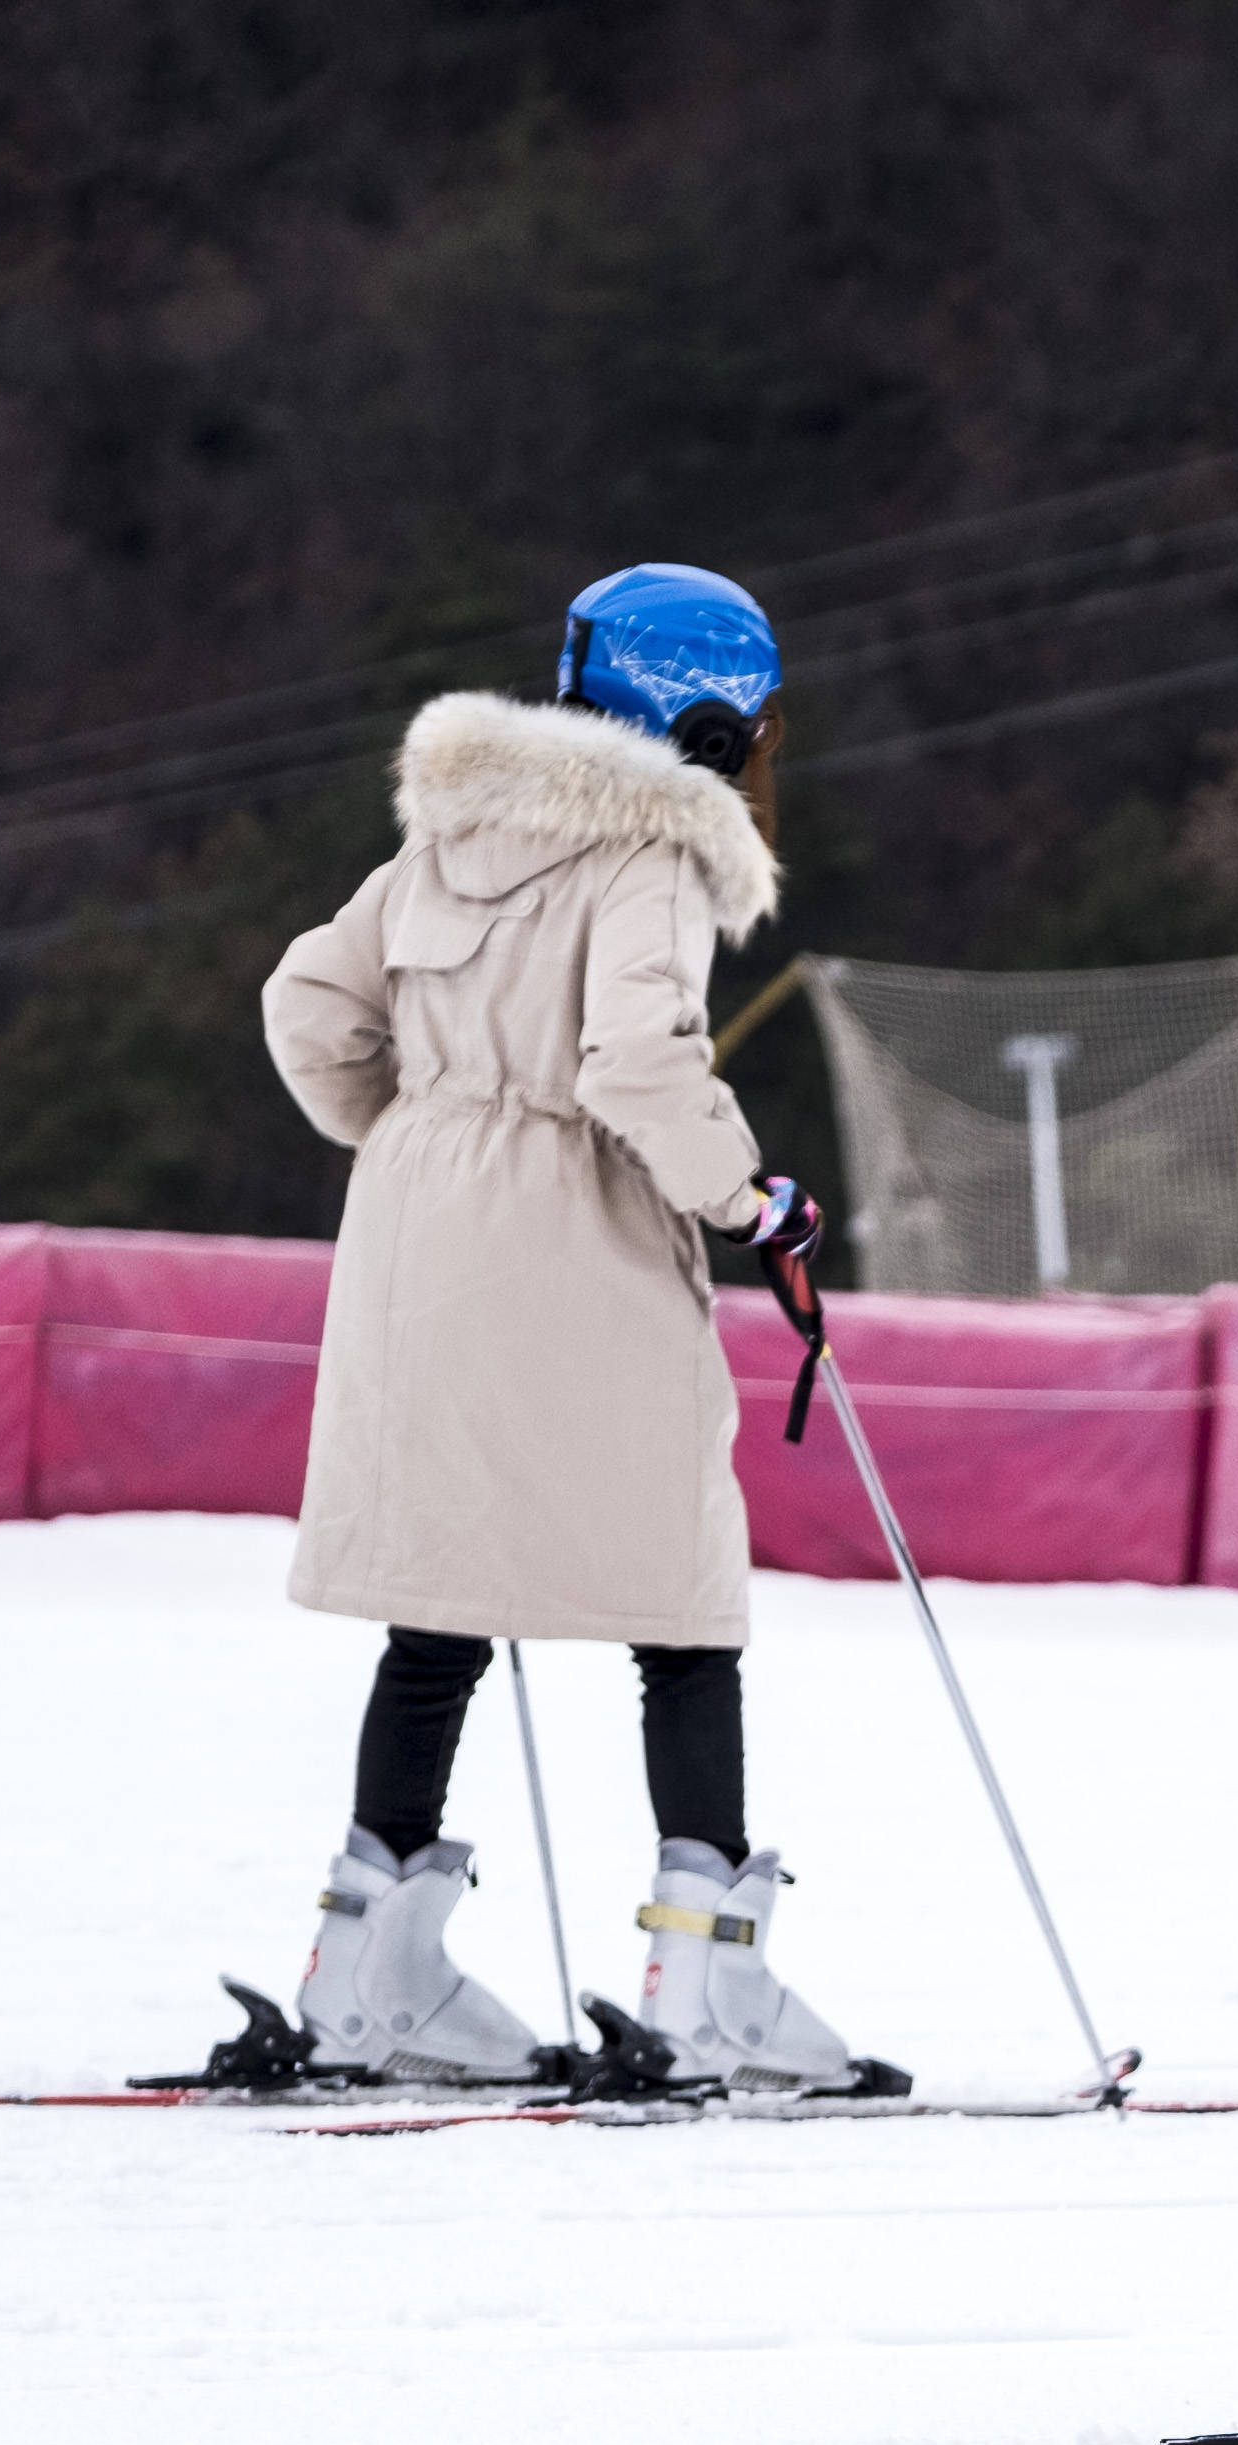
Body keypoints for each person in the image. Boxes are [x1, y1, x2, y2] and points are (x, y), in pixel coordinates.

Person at [258, 560, 862, 2089]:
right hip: (572, 1228)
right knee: (682, 1594)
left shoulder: (444, 834)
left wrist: (418, 1133)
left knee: (439, 1599)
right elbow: (639, 1066)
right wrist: (752, 1202)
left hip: (417, 1222)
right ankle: (701, 1982)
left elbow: (304, 1005)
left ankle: (366, 1972)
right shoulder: (652, 847)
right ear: (707, 718)